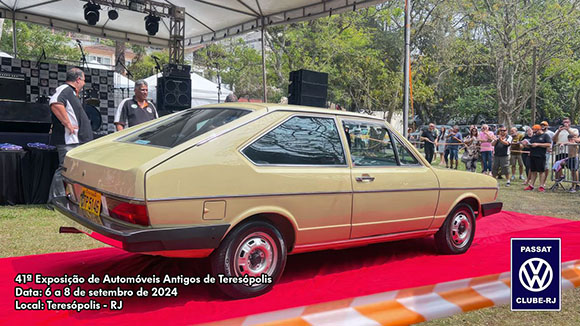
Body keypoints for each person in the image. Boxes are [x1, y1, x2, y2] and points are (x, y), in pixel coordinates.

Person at [48, 67, 94, 202]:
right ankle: (56, 200)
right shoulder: (65, 89)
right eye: (84, 80)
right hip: (69, 139)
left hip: (77, 140)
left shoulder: (72, 93)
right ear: (78, 79)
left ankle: (73, 198)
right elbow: (55, 103)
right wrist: (67, 123)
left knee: (76, 170)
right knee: (64, 169)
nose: (84, 84)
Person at [523, 124, 552, 192]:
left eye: (535, 131)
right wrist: (526, 145)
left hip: (540, 156)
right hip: (533, 155)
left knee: (541, 171)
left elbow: (548, 144)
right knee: (533, 171)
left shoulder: (545, 135)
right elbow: (531, 145)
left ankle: (541, 186)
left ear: (539, 130)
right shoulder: (534, 136)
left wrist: (538, 144)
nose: (535, 133)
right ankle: (531, 185)